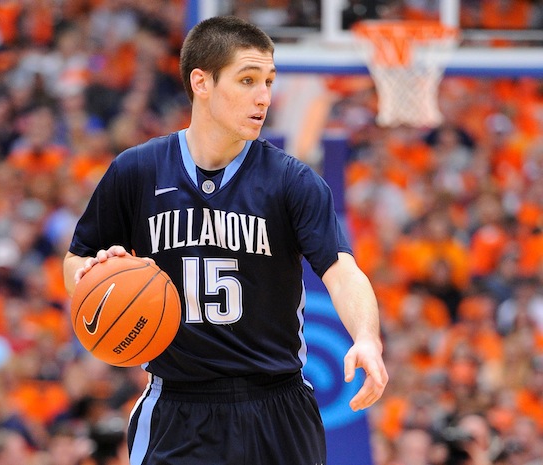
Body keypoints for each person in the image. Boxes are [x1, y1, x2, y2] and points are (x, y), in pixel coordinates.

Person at [64, 15, 388, 465]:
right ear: (202, 82)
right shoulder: (137, 171)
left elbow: (342, 270)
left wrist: (367, 337)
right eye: (248, 80)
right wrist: (93, 274)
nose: (264, 97)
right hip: (177, 405)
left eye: (269, 81)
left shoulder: (292, 181)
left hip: (277, 404)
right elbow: (76, 260)